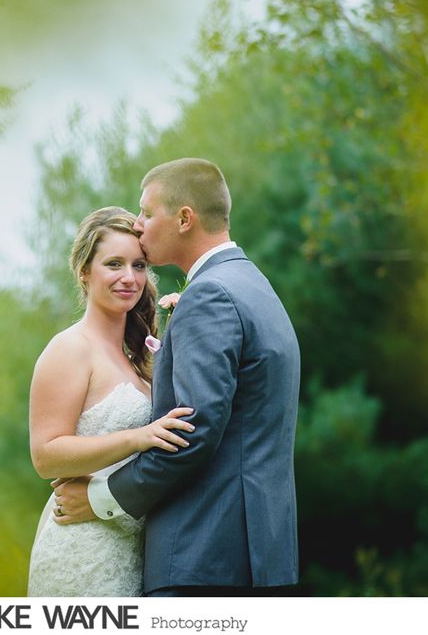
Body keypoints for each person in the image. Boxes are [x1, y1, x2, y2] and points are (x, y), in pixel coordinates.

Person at [53, 158, 301, 596]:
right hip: (258, 550)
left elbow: (191, 431)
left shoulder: (210, 295)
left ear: (184, 218)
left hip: (203, 554)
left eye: (147, 213)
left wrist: (99, 499)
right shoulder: (253, 285)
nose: (139, 224)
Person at [26, 206, 195, 597]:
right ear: (85, 271)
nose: (129, 278)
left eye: (138, 265)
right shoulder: (69, 349)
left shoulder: (138, 356)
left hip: (133, 550)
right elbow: (45, 456)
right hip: (82, 553)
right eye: (114, 264)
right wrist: (139, 437)